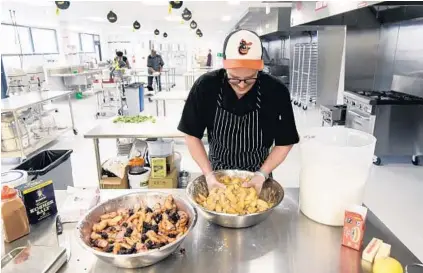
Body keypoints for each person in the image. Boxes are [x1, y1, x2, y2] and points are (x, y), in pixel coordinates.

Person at [178, 29, 299, 194]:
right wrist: (208, 174)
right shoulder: (206, 86)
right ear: (225, 65)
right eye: (234, 78)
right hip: (217, 176)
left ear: (260, 68)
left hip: (259, 177)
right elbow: (191, 135)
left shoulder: (276, 91)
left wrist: (262, 174)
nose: (242, 85)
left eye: (250, 78)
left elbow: (285, 142)